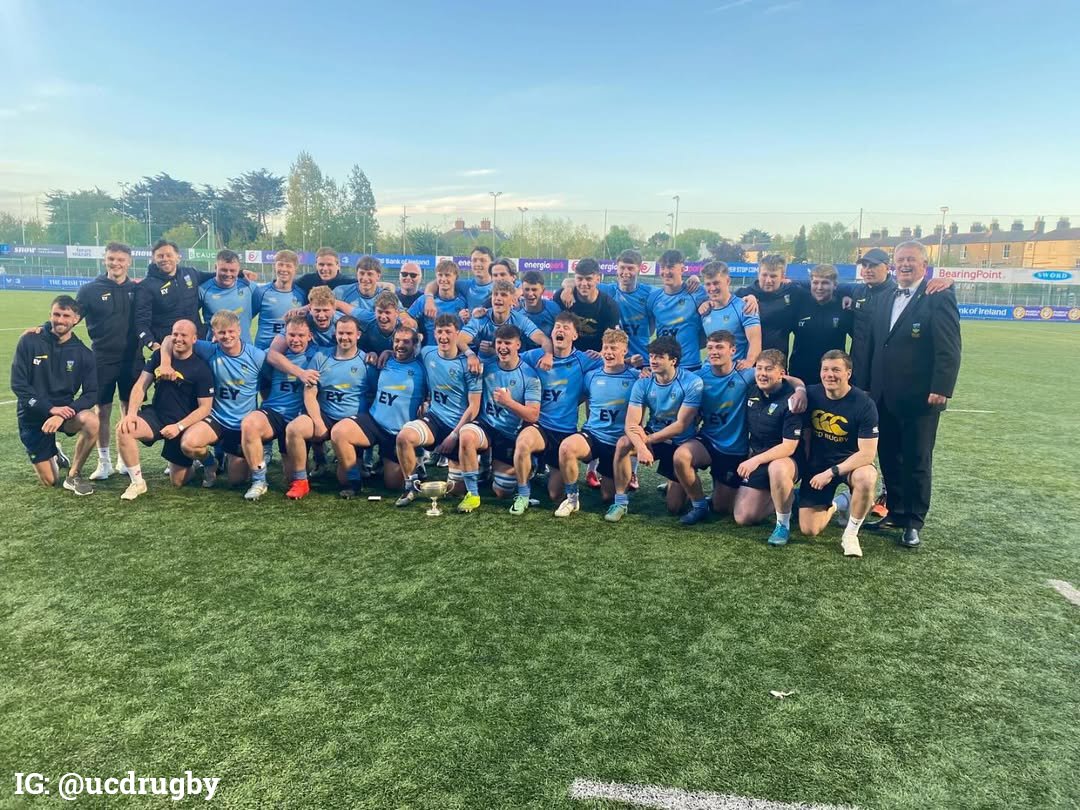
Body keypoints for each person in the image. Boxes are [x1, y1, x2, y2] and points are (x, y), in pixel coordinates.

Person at [859, 240, 961, 548]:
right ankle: (896, 511)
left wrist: (941, 387)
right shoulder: (886, 295)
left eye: (911, 260)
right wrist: (865, 386)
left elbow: (949, 346)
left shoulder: (937, 295)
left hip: (920, 397)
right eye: (901, 259)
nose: (905, 264)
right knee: (889, 455)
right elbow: (872, 345)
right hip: (882, 394)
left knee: (917, 459)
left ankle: (914, 521)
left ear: (924, 265)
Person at [670, 330, 780, 526]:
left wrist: (801, 391)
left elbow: (785, 380)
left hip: (733, 448)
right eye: (710, 347)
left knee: (723, 508)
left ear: (733, 350)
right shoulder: (698, 378)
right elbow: (670, 377)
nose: (713, 351)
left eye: (719, 347)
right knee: (680, 462)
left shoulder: (746, 375)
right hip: (707, 441)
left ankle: (770, 494)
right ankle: (699, 506)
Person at [606, 336, 703, 521]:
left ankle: (692, 497)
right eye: (651, 356)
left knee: (674, 507)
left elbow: (681, 425)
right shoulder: (643, 382)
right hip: (653, 434)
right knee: (624, 444)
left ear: (673, 360)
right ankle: (620, 502)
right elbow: (631, 424)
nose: (653, 360)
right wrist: (641, 448)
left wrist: (647, 441)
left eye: (659, 356)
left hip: (680, 442)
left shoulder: (692, 382)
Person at [165, 310, 267, 488]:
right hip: (216, 420)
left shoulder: (256, 356)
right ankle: (211, 461)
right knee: (188, 444)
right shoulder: (209, 349)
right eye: (221, 332)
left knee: (236, 480)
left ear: (239, 330)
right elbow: (168, 340)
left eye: (230, 331)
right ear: (214, 334)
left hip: (241, 425)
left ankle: (230, 454)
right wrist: (165, 363)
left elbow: (267, 384)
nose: (227, 336)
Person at [115, 319, 215, 498]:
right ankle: (137, 483)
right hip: (157, 415)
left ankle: (204, 461)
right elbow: (140, 385)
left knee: (178, 482)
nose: (178, 339)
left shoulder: (201, 368)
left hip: (181, 423)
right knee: (124, 429)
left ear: (194, 339)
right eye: (175, 334)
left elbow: (205, 408)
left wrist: (179, 427)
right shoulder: (159, 357)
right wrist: (130, 414)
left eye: (183, 335)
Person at [511, 313, 598, 514]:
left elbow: (613, 367)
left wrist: (610, 357)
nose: (560, 330)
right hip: (540, 427)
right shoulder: (535, 356)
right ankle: (523, 494)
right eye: (557, 326)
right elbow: (509, 361)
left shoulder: (583, 360)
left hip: (564, 432)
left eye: (566, 328)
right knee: (523, 442)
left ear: (575, 336)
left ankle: (567, 491)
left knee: (554, 495)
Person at [11, 295, 99, 494]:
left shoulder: (84, 354)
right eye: (56, 314)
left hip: (64, 414)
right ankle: (54, 453)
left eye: (66, 315)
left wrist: (61, 414)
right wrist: (49, 409)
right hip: (32, 416)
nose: (60, 320)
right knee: (50, 481)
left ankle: (74, 475)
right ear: (50, 315)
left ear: (76, 319)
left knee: (92, 421)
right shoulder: (30, 341)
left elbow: (91, 393)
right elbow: (18, 384)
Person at [394, 314, 482, 506]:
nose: (443, 336)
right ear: (434, 333)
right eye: (440, 332)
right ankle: (411, 486)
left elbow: (474, 407)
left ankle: (478, 468)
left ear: (457, 334)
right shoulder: (427, 353)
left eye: (448, 332)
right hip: (434, 419)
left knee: (456, 491)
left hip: (461, 426)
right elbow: (403, 350)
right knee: (404, 437)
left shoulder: (470, 365)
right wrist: (382, 353)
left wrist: (453, 435)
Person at [799, 350, 879, 557]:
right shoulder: (812, 393)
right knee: (809, 529)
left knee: (867, 476)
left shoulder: (864, 404)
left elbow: (867, 454)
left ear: (848, 373)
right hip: (818, 465)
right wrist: (799, 389)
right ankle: (840, 503)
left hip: (850, 465)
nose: (829, 375)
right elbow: (788, 382)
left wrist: (832, 472)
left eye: (836, 370)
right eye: (825, 369)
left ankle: (851, 534)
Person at [332, 325, 427, 496]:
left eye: (406, 342)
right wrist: (379, 354)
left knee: (393, 484)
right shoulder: (384, 360)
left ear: (415, 345)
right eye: (397, 341)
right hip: (374, 422)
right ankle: (354, 482)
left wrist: (426, 405)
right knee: (339, 432)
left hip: (398, 434)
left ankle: (411, 463)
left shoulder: (422, 368)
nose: (400, 345)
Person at [553, 329, 639, 516]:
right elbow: (576, 400)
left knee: (607, 496)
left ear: (624, 351)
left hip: (617, 442)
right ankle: (572, 499)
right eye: (605, 347)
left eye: (614, 348)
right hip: (593, 434)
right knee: (567, 447)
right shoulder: (591, 376)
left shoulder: (636, 378)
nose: (608, 352)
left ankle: (620, 500)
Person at [73, 242, 141, 480]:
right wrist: (43, 329)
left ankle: (124, 458)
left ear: (129, 262)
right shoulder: (89, 290)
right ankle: (104, 462)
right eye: (112, 259)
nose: (116, 263)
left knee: (128, 409)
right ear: (105, 260)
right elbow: (70, 317)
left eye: (121, 259)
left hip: (133, 359)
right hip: (101, 358)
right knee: (102, 410)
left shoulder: (137, 289)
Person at [456, 324, 542, 512]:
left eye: (508, 343)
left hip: (509, 433)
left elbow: (533, 415)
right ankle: (473, 495)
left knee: (502, 491)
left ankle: (527, 466)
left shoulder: (529, 375)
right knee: (467, 434)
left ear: (518, 345)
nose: (503, 347)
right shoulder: (486, 367)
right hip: (486, 426)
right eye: (499, 343)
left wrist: (508, 402)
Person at [283, 316, 368, 499]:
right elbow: (309, 393)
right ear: (335, 334)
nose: (344, 337)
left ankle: (355, 477)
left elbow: (374, 394)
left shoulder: (367, 361)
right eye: (341, 333)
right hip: (325, 415)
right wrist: (317, 421)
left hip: (351, 422)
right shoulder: (321, 357)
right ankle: (301, 481)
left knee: (344, 479)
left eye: (349, 333)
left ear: (358, 335)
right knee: (294, 428)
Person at [733, 350, 806, 545]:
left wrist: (754, 460)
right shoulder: (752, 389)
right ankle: (791, 497)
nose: (762, 374)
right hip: (758, 457)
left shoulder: (793, 400)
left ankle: (783, 525)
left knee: (778, 468)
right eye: (759, 368)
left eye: (769, 369)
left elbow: (789, 447)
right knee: (743, 517)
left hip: (786, 459)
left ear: (782, 373)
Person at [239, 315, 316, 500]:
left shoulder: (318, 356)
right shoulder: (272, 357)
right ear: (285, 334)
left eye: (300, 335)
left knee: (291, 477)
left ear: (310, 336)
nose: (295, 340)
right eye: (291, 335)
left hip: (298, 419)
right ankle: (259, 481)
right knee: (249, 424)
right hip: (275, 412)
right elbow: (263, 381)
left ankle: (311, 465)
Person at [135, 239, 213, 349]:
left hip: (196, 343)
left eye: (169, 255)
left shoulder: (191, 274)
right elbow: (141, 322)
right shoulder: (146, 286)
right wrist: (151, 343)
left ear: (177, 257)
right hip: (170, 347)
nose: (165, 259)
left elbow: (218, 277)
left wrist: (241, 273)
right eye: (160, 256)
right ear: (153, 259)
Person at [457, 280, 552, 364]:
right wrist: (471, 355)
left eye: (503, 295)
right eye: (495, 294)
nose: (498, 298)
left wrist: (548, 355)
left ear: (513, 301)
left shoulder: (520, 320)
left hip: (512, 366)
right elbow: (461, 340)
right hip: (486, 365)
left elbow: (544, 340)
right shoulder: (481, 318)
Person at [788, 263, 853, 385]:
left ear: (835, 286)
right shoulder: (799, 303)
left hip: (832, 376)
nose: (819, 287)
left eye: (825, 283)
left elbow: (859, 340)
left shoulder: (844, 307)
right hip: (800, 375)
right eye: (815, 282)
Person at [734, 253, 809, 356]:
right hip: (748, 364)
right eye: (764, 275)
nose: (768, 280)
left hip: (777, 363)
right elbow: (720, 303)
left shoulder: (793, 292)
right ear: (758, 273)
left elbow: (818, 286)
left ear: (783, 276)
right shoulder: (742, 294)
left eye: (773, 276)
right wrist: (705, 303)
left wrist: (794, 281)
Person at [649, 250, 708, 371]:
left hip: (691, 365)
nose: (665, 272)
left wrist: (750, 298)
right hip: (664, 366)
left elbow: (723, 300)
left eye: (670, 267)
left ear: (682, 269)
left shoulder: (697, 292)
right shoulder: (653, 297)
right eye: (663, 267)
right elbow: (649, 329)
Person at [699, 260, 761, 368]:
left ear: (727, 281)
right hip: (709, 371)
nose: (712, 288)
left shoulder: (744, 306)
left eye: (716, 283)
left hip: (735, 373)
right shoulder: (705, 309)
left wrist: (749, 362)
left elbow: (755, 341)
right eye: (708, 284)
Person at [554, 258, 620, 352]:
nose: (584, 283)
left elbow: (611, 340)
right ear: (575, 279)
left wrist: (600, 355)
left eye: (589, 279)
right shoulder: (561, 297)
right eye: (579, 279)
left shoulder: (609, 306)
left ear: (598, 279)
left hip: (596, 357)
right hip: (567, 355)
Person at [251, 249, 306, 350]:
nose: (284, 269)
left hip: (289, 351)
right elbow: (245, 318)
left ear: (295, 269)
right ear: (274, 266)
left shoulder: (301, 294)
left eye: (288, 266)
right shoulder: (261, 292)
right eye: (280, 264)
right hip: (263, 351)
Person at [409, 259, 470, 345]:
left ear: (456, 277)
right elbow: (406, 317)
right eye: (440, 275)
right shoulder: (425, 300)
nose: (443, 279)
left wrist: (467, 320)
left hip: (455, 352)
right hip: (430, 351)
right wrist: (414, 331)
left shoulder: (464, 302)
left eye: (447, 275)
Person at [197, 249, 255, 337]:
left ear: (238, 269)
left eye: (232, 271)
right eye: (224, 270)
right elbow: (191, 315)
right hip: (214, 348)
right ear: (216, 267)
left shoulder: (249, 286)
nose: (228, 274)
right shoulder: (203, 290)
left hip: (244, 347)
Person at [518, 270, 561, 347]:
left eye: (534, 290)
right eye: (527, 289)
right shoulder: (516, 312)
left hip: (548, 355)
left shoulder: (553, 309)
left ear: (542, 290)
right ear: (522, 290)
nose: (530, 294)